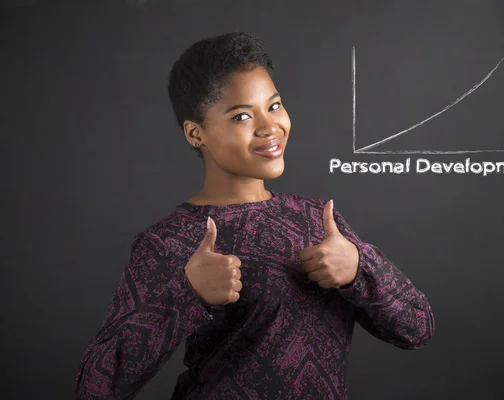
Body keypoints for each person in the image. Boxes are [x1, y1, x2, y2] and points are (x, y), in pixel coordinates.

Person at [74, 32, 435, 400]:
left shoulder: (317, 220)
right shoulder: (171, 241)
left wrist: (360, 267)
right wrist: (186, 295)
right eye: (243, 115)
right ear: (196, 133)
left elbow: (417, 328)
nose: (269, 127)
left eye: (274, 106)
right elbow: (96, 387)